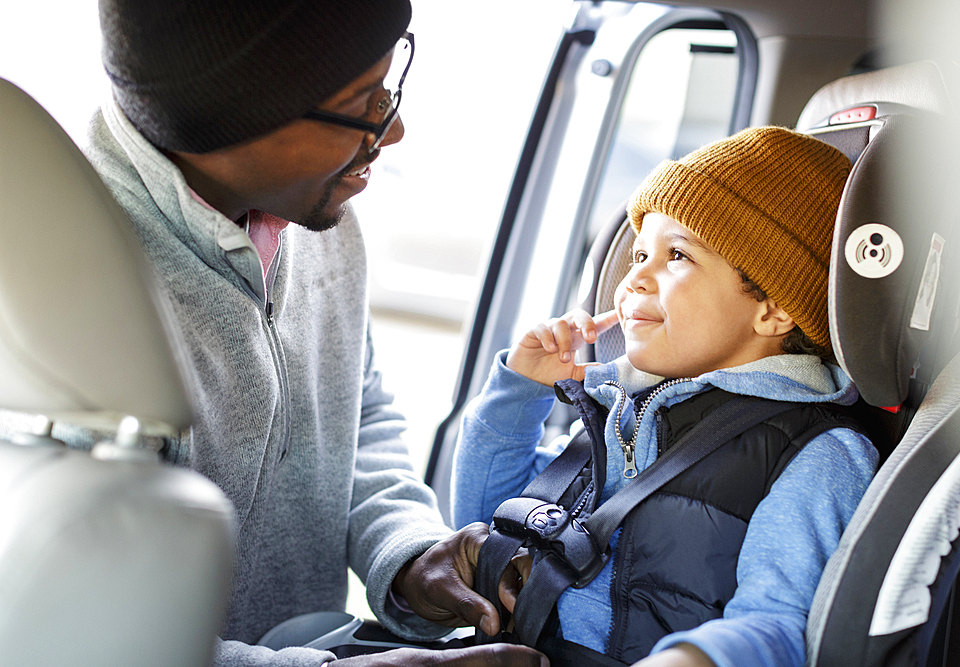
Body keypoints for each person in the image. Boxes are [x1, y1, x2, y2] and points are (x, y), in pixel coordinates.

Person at [66, 1, 547, 665]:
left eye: (390, 88)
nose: (395, 127)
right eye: (364, 104)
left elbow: (358, 412)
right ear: (238, 113)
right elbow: (84, 634)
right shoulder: (64, 294)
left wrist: (407, 551)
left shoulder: (318, 215)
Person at [453, 127, 879, 667]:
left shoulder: (815, 453)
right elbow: (481, 531)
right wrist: (518, 394)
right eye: (638, 254)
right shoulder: (619, 410)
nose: (634, 280)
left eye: (677, 255)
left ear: (774, 309)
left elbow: (778, 624)